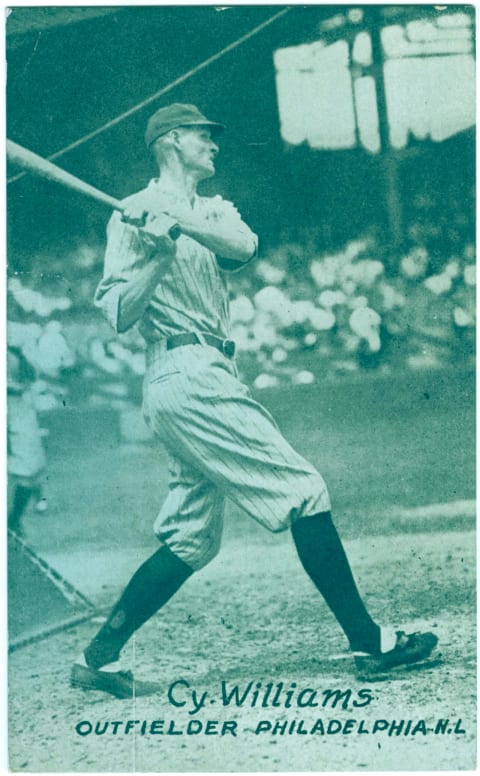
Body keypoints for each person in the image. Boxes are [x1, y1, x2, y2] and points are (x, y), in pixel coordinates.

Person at [71, 103, 438, 698]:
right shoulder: (128, 219)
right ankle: (370, 643)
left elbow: (242, 245)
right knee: (305, 490)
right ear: (171, 142)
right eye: (202, 136)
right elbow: (117, 313)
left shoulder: (211, 208)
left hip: (212, 368)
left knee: (191, 538)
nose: (214, 145)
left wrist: (177, 226)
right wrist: (156, 257)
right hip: (181, 368)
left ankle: (98, 658)